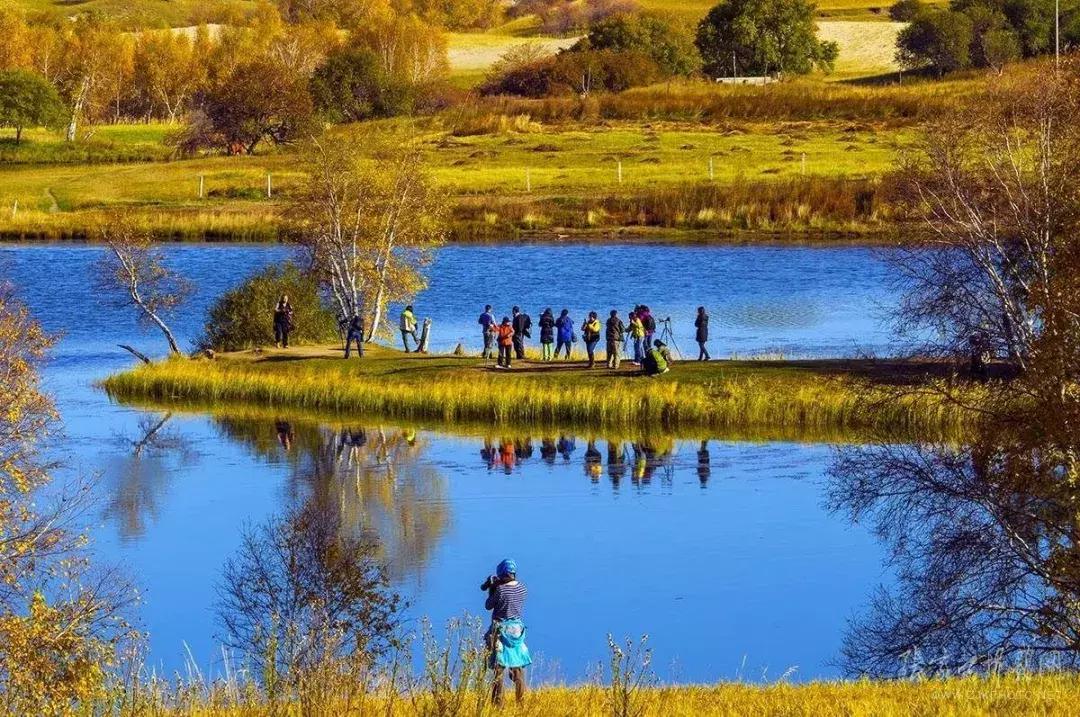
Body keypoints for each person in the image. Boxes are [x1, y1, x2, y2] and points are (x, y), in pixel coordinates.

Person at [482, 559, 530, 706]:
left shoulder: (501, 590)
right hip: (517, 631)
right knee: (517, 666)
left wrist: (492, 589)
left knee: (499, 668)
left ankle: (498, 705)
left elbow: (488, 606)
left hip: (501, 631)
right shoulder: (522, 588)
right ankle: (521, 703)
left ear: (502, 573)